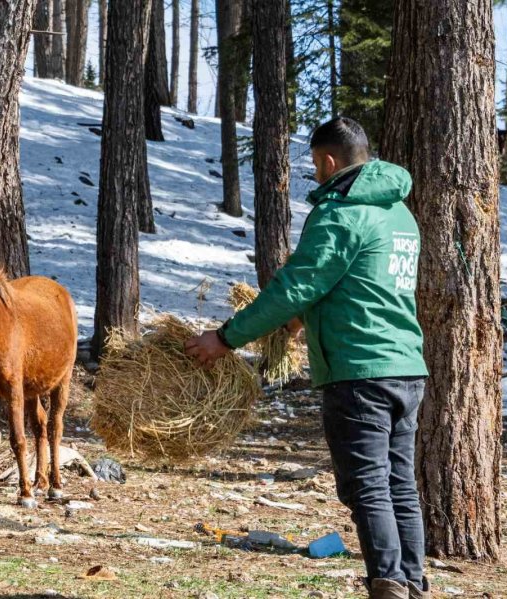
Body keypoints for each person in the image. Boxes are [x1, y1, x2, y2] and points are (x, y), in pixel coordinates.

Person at [185, 117, 430, 599]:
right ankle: (414, 583)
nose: (315, 177)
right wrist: (304, 319)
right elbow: (362, 282)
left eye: (316, 167)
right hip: (406, 367)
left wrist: (226, 337)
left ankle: (389, 586)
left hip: (358, 372)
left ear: (329, 161)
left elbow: (297, 283)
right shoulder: (399, 213)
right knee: (400, 484)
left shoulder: (341, 213)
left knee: (367, 488)